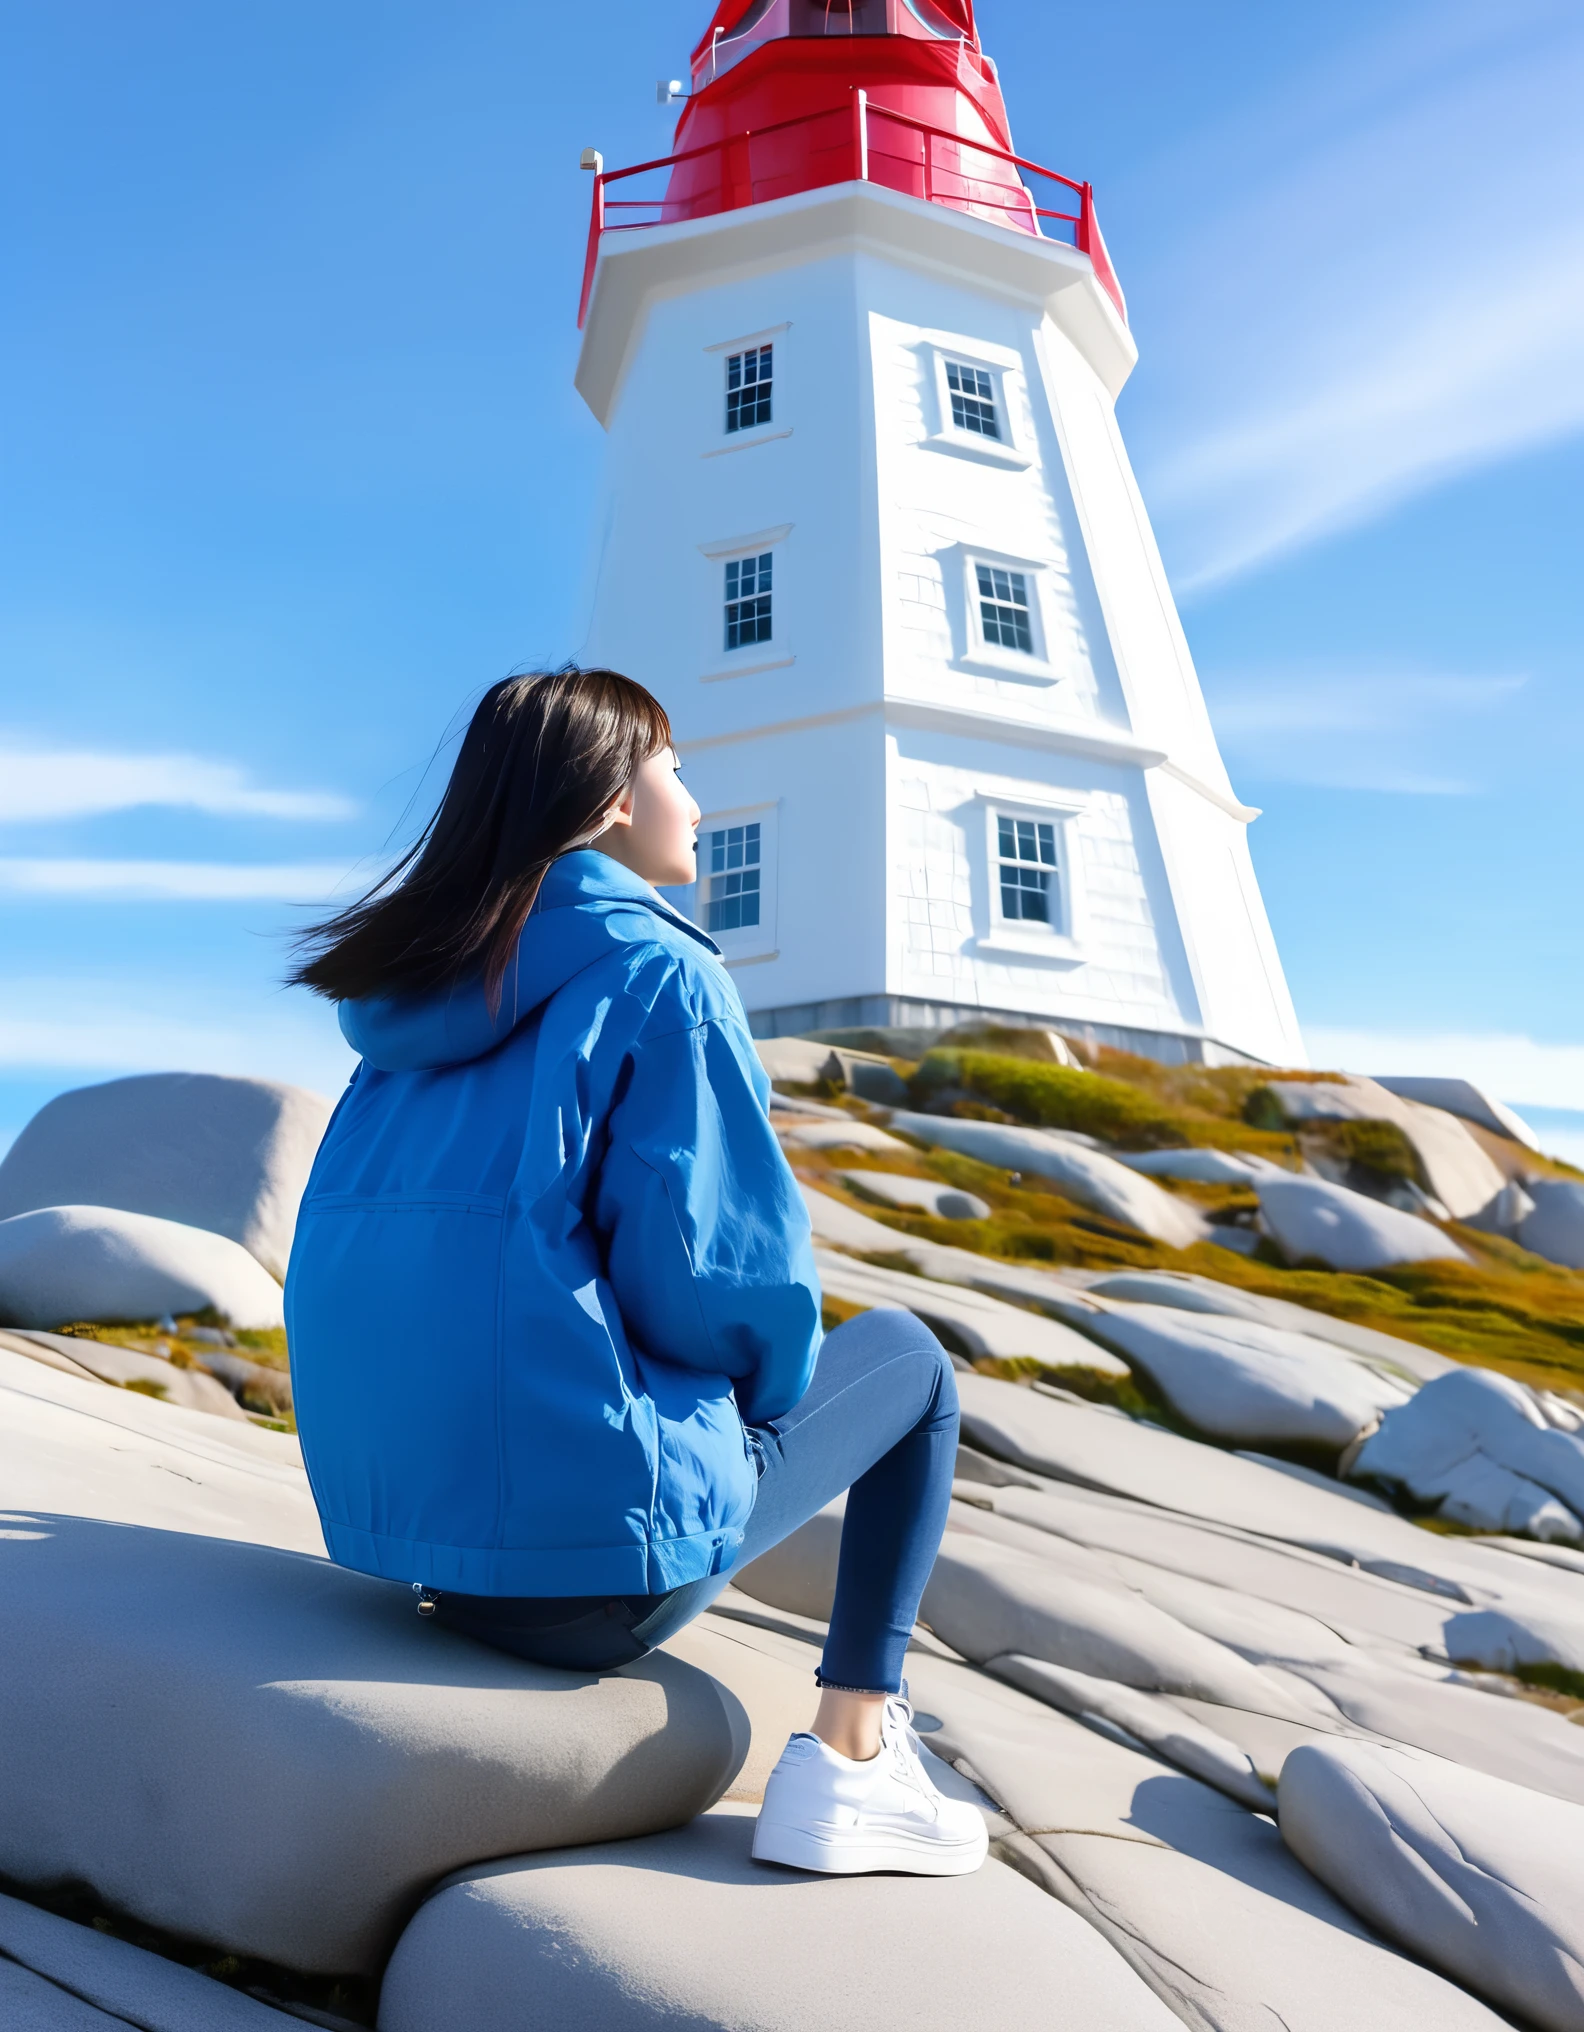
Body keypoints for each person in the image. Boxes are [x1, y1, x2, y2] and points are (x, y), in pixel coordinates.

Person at [285, 667, 985, 1878]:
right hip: (585, 1582)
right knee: (914, 1366)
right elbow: (716, 1285)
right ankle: (856, 1760)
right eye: (674, 766)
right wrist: (760, 1420)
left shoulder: (412, 990)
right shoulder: (662, 974)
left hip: (413, 1539)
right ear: (611, 797)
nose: (696, 799)